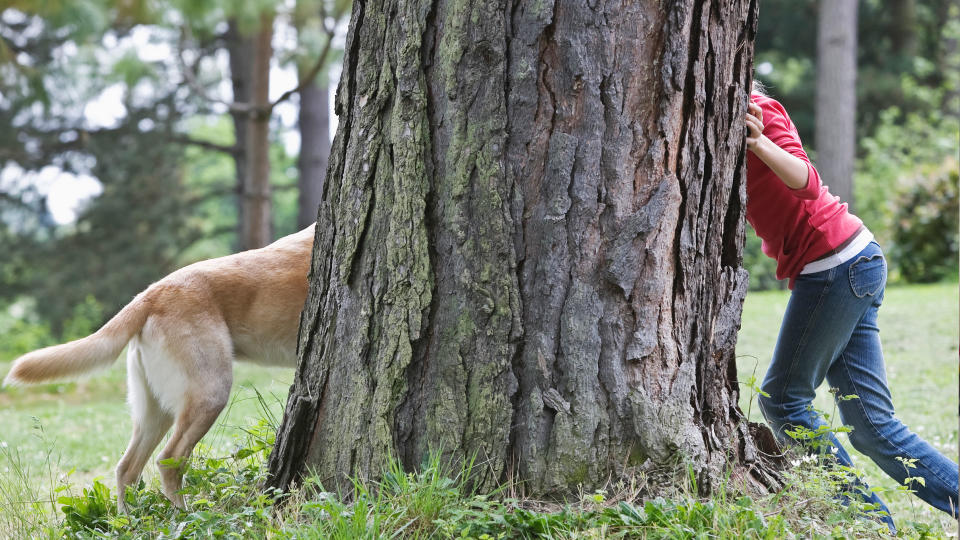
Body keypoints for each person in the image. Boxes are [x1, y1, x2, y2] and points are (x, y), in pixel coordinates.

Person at [744, 82, 959, 529]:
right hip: (851, 262)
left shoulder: (758, 109)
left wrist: (760, 142)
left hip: (835, 264)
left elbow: (807, 181)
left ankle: (867, 523)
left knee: (784, 400)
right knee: (871, 425)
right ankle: (875, 526)